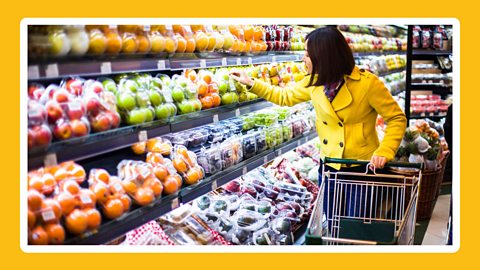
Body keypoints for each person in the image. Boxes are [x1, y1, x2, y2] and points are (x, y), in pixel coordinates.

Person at [230, 27, 407, 225]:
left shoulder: (367, 84)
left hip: (362, 169)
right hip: (330, 166)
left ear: (324, 57)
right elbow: (285, 96)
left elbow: (396, 118)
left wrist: (385, 149)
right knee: (332, 224)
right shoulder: (315, 83)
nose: (303, 60)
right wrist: (251, 83)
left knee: (354, 228)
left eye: (307, 55)